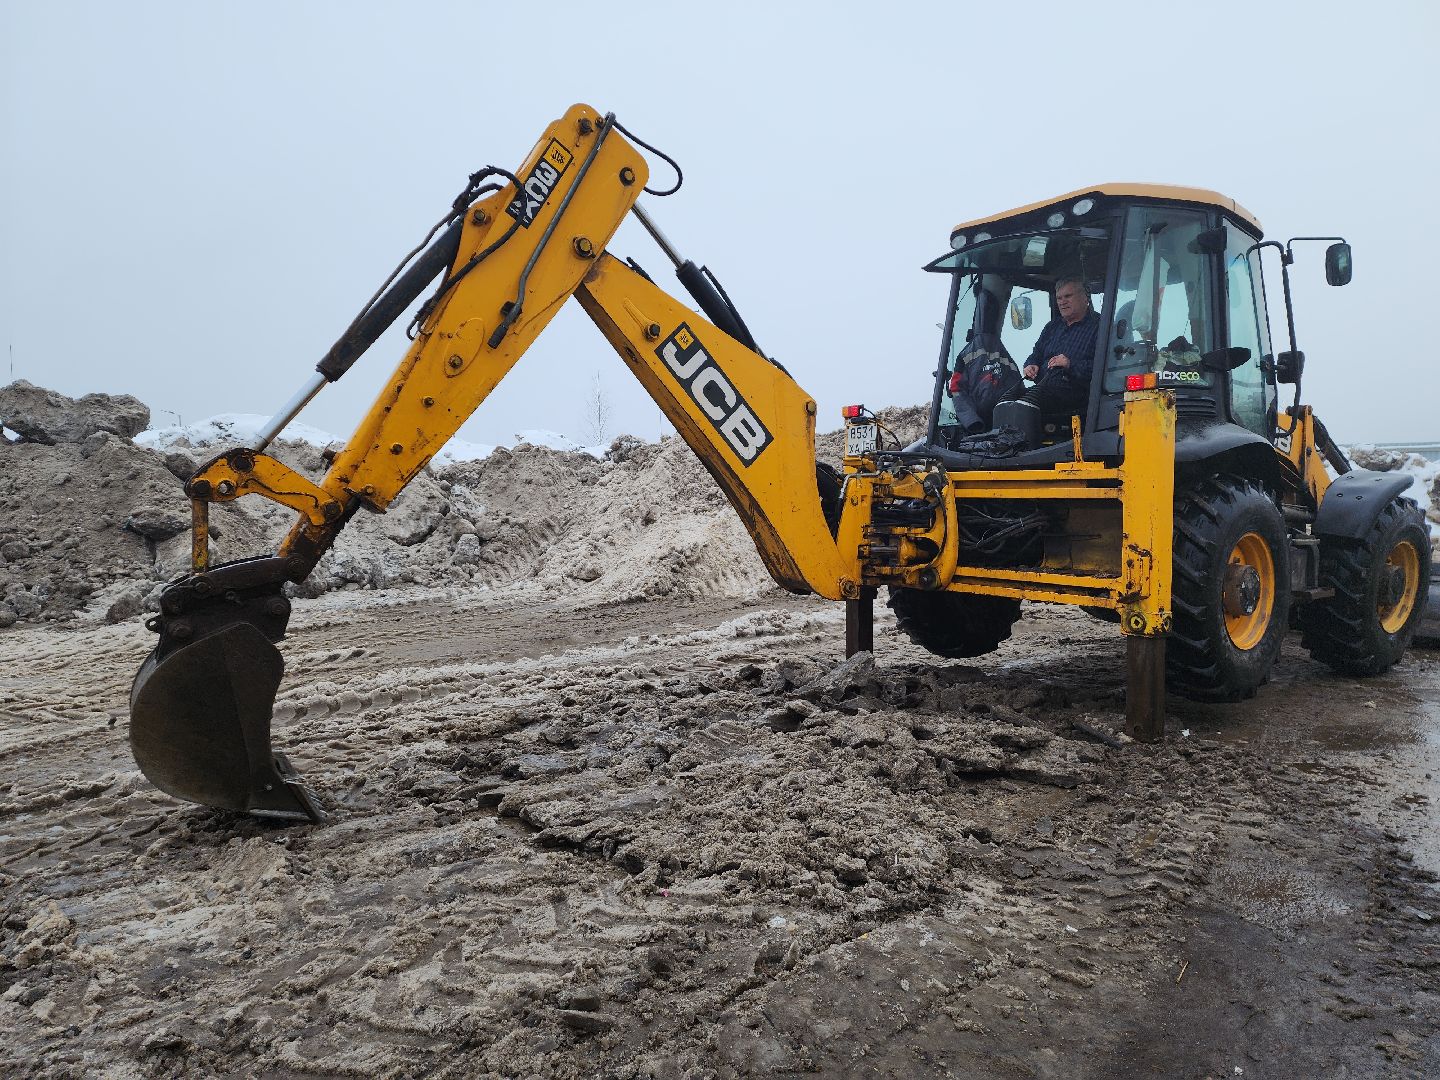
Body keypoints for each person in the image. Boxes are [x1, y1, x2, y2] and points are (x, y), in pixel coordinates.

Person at [1021, 277, 1100, 418]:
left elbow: (1105, 369)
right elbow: (1036, 354)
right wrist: (1030, 365)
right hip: (1043, 391)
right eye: (1059, 298)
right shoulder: (1052, 327)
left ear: (1085, 298)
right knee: (1005, 400)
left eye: (1068, 296)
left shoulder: (1100, 326)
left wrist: (1070, 364)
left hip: (1078, 399)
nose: (1062, 302)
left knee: (1025, 407)